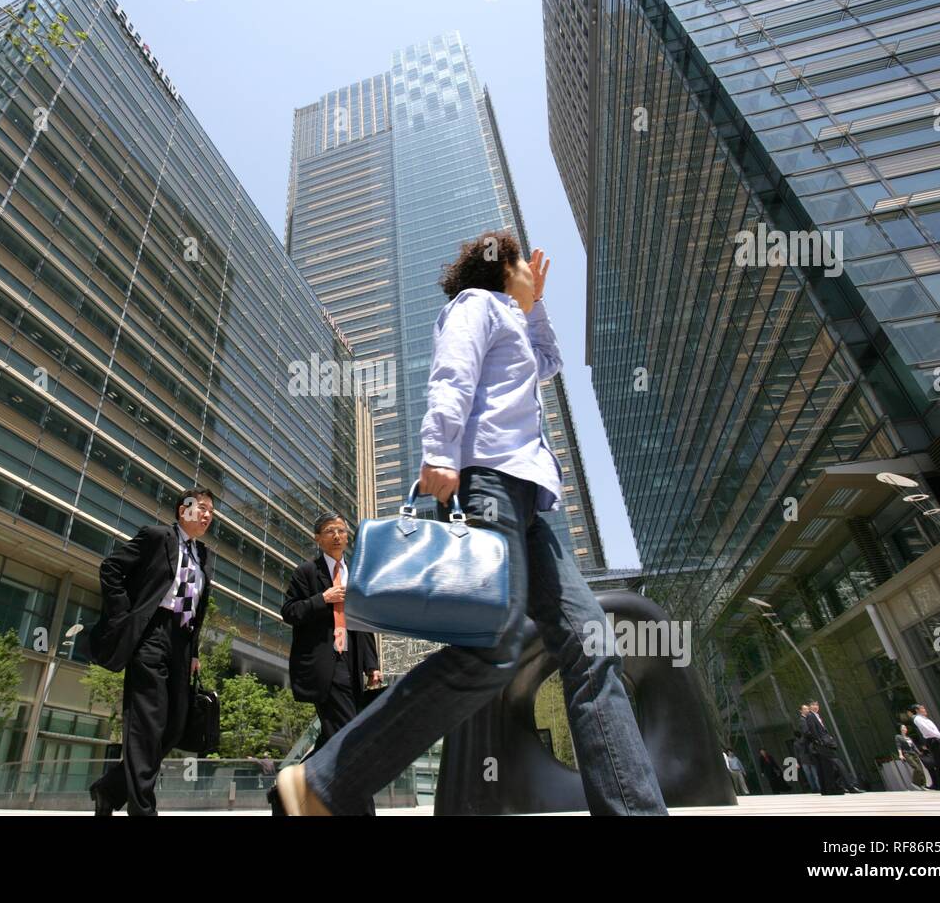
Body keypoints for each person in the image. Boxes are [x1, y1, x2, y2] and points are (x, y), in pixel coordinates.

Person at [270, 232, 667, 816]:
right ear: (503, 267)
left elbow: (548, 362)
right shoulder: (475, 307)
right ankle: (323, 782)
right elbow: (452, 374)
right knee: (493, 650)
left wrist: (535, 306)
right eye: (524, 263)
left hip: (528, 503)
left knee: (591, 646)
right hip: (487, 485)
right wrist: (439, 451)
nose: (535, 269)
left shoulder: (512, 316)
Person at [88, 488, 215, 816]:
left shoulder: (204, 555)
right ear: (182, 509)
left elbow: (197, 607)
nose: (207, 515)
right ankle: (142, 809)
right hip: (151, 635)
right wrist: (125, 617)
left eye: (210, 511)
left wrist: (194, 651)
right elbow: (111, 569)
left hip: (182, 644)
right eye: (201, 508)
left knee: (174, 726)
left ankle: (110, 788)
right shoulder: (157, 537)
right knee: (147, 723)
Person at [282, 511, 381, 814]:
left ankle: (293, 789)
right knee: (352, 734)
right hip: (325, 665)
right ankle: (363, 810)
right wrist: (322, 598)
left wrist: (372, 665)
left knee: (334, 735)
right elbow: (290, 612)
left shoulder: (356, 573)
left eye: (341, 530)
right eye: (329, 530)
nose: (337, 535)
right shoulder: (306, 573)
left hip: (353, 664)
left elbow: (362, 623)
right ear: (317, 538)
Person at [803, 701, 863, 794]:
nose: (815, 707)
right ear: (809, 707)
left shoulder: (817, 716)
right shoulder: (810, 716)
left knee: (827, 767)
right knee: (838, 763)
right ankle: (850, 786)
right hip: (822, 745)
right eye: (813, 705)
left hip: (824, 744)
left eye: (817, 705)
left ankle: (831, 789)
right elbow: (812, 730)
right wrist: (819, 741)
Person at [894, 724, 928, 791]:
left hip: (914, 754)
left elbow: (914, 746)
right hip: (907, 754)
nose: (905, 728)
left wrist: (919, 752)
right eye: (903, 727)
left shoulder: (909, 738)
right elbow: (898, 746)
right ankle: (915, 782)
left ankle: (922, 784)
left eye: (905, 727)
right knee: (916, 768)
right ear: (900, 729)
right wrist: (900, 755)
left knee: (921, 769)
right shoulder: (898, 737)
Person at [792, 726, 819, 793]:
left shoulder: (795, 743)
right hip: (811, 758)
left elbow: (796, 754)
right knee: (815, 775)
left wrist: (796, 762)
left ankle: (813, 789)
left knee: (809, 776)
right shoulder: (806, 741)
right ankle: (819, 787)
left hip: (803, 760)